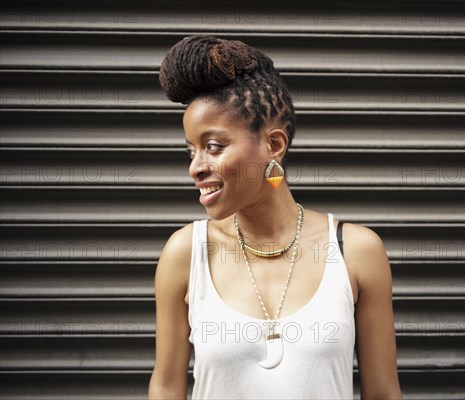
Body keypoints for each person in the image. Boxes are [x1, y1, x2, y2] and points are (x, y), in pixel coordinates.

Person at [148, 35, 402, 400]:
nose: (195, 168)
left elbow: (382, 393)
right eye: (192, 150)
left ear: (274, 145)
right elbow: (167, 385)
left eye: (214, 147)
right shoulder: (186, 252)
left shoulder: (355, 251)